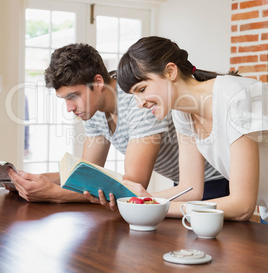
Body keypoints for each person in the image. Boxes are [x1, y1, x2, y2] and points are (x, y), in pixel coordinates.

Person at [8, 43, 224, 204]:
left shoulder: (138, 101)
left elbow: (132, 185)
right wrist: (32, 180)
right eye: (65, 99)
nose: (69, 108)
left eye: (73, 96)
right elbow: (84, 174)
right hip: (184, 185)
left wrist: (55, 194)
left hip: (215, 183)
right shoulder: (93, 111)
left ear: (98, 83)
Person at [115, 36, 268, 222]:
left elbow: (242, 206)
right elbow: (190, 189)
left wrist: (157, 207)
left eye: (142, 89)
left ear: (171, 71)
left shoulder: (235, 98)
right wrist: (143, 201)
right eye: (134, 96)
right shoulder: (183, 114)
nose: (140, 104)